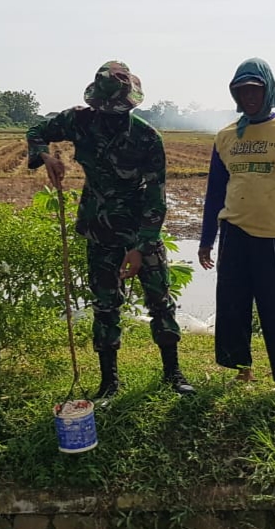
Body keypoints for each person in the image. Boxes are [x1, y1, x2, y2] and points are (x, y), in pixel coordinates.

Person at [26, 60, 195, 398]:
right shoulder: (79, 120)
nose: (113, 114)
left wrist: (141, 246)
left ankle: (173, 374)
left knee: (159, 299)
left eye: (120, 109)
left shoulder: (147, 137)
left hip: (139, 226)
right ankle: (109, 382)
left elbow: (156, 195)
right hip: (99, 225)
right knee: (105, 304)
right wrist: (46, 156)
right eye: (107, 108)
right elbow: (37, 130)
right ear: (96, 104)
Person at [198, 57, 275, 406]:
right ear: (234, 94)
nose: (249, 97)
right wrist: (207, 239)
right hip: (234, 234)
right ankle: (242, 367)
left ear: (268, 90)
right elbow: (214, 192)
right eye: (242, 91)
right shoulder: (225, 137)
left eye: (255, 90)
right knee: (234, 305)